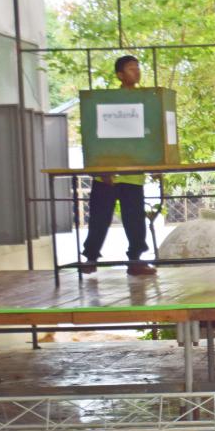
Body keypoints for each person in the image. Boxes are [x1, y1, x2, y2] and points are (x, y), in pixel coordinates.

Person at [80, 55, 156, 276]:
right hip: (107, 173)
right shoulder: (107, 101)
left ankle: (136, 260)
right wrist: (101, 167)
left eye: (138, 68)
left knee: (135, 220)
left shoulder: (146, 101)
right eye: (131, 68)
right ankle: (90, 258)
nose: (136, 72)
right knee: (99, 218)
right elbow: (96, 134)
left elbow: (151, 135)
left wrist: (155, 163)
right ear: (120, 75)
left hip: (133, 173)